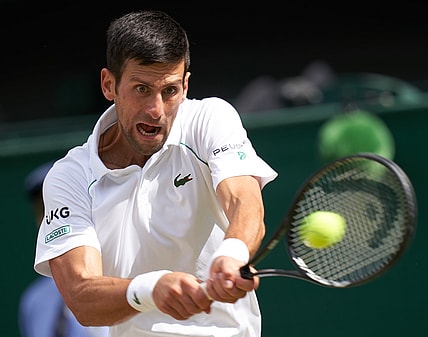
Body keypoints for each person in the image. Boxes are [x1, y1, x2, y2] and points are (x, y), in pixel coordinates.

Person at [34, 9, 278, 337]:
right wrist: (151, 289)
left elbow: (245, 202)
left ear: (186, 85)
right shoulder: (69, 178)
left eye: (170, 91)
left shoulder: (210, 119)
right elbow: (81, 295)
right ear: (109, 85)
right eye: (141, 89)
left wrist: (231, 254)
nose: (156, 110)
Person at [19, 162, 109, 337]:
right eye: (46, 211)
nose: (55, 220)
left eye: (65, 210)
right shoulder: (34, 301)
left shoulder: (134, 278)